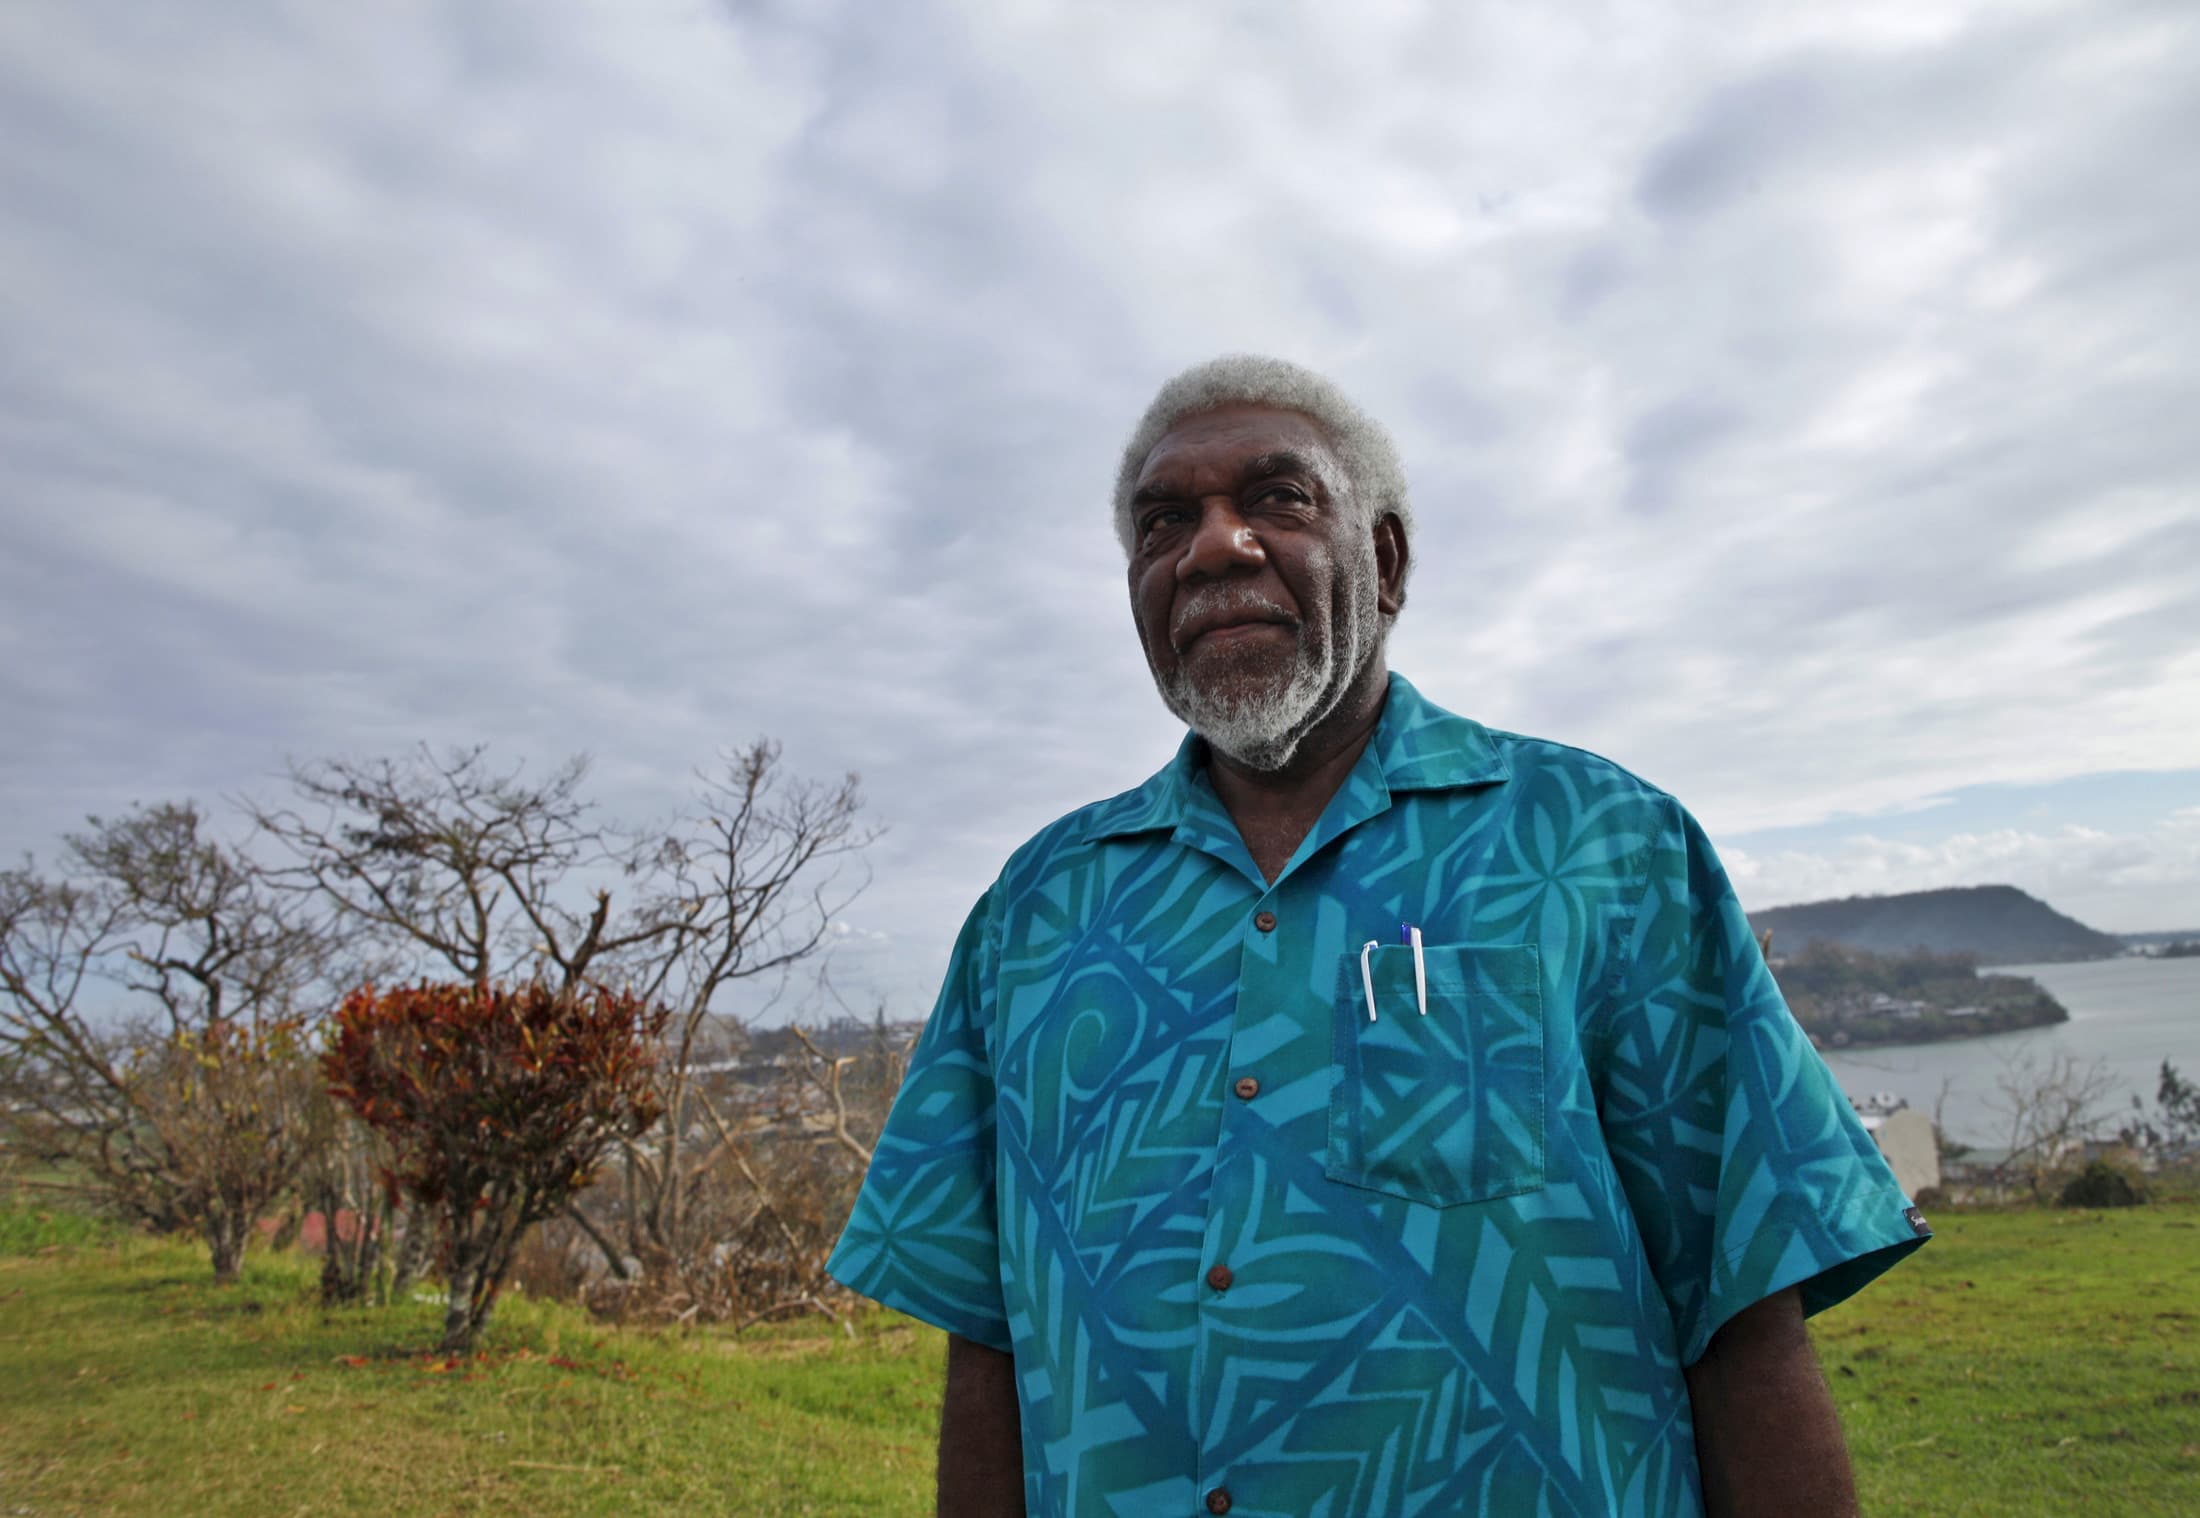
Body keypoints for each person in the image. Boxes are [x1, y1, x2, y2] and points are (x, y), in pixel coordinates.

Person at [828, 355, 1930, 1518]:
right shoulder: (1035, 912)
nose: (1212, 546)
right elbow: (991, 1340)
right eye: (1164, 523)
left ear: (1387, 562)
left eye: (1276, 498)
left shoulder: (1603, 848)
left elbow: (1740, 1304)